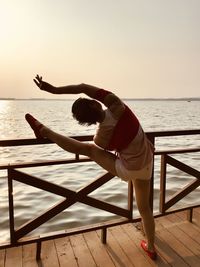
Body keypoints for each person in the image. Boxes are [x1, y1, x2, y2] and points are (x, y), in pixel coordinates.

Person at [25, 74, 157, 260]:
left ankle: (45, 131)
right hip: (146, 162)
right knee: (145, 209)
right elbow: (82, 86)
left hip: (128, 168)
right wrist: (53, 89)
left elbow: (101, 147)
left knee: (87, 149)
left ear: (87, 122)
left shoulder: (100, 138)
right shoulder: (117, 105)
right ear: (95, 104)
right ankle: (151, 248)